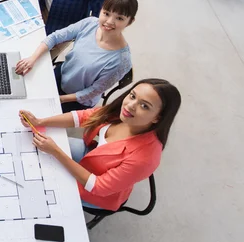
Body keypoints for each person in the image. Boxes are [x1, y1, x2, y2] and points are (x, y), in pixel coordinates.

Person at [19, 78, 181, 211]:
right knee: (37, 152)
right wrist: (40, 121)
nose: (130, 105)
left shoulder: (145, 158)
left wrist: (56, 152)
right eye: (132, 96)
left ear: (157, 118)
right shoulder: (122, 113)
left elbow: (98, 186)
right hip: (91, 155)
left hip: (97, 192)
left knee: (40, 191)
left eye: (144, 106)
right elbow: (85, 116)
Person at [16, 0, 137, 112]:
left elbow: (93, 91)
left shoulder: (121, 60)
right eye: (106, 13)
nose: (109, 21)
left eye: (119, 18)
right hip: (62, 74)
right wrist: (32, 59)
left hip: (76, 100)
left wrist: (60, 99)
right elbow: (55, 37)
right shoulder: (90, 23)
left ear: (130, 22)